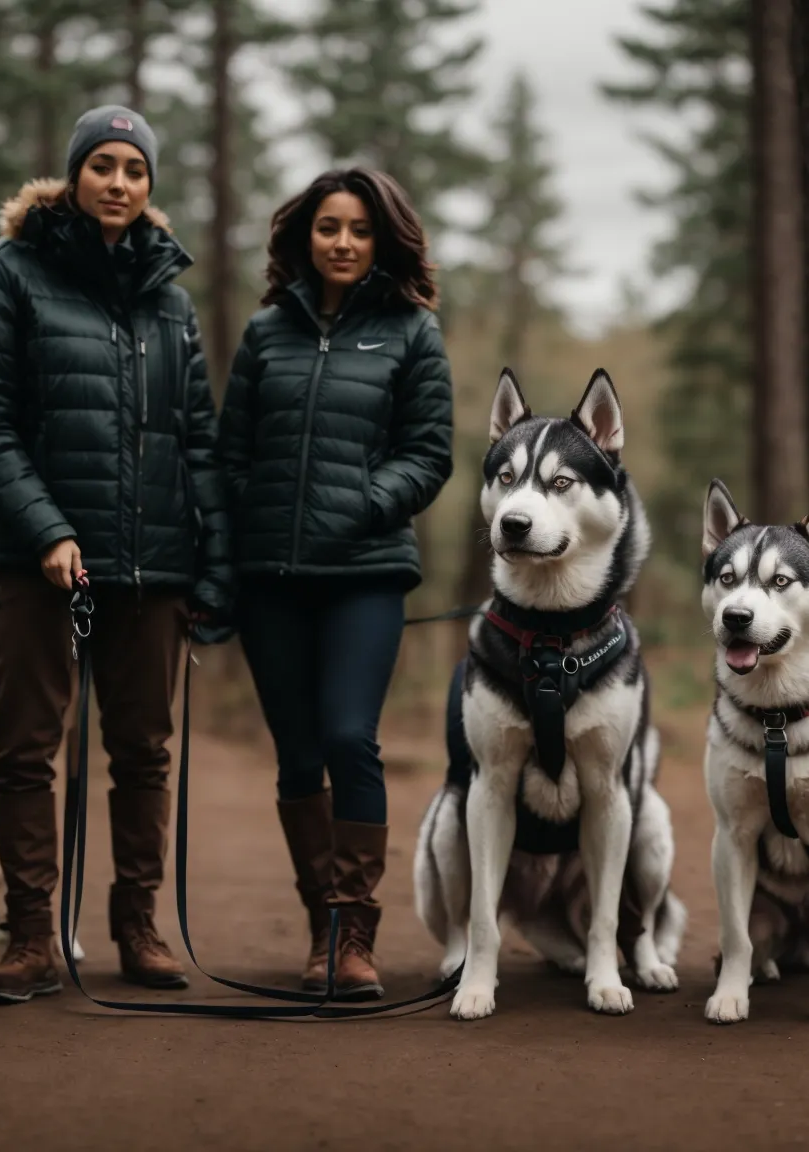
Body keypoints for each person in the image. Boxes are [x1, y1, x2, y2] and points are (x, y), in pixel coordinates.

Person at [0, 105, 230, 1003]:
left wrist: (209, 567)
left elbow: (199, 444)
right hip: (39, 568)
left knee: (145, 752)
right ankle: (30, 936)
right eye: (102, 164)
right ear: (73, 177)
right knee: (26, 750)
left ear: (150, 186)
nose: (118, 182)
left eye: (135, 169)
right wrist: (48, 529)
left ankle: (137, 929)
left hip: (152, 571)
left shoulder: (170, 301)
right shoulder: (8, 275)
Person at [216, 168, 454, 1000]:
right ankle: (320, 923)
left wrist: (361, 503)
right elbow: (229, 456)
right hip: (271, 580)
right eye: (328, 227)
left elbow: (430, 454)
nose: (343, 242)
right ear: (304, 237)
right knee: (297, 757)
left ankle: (356, 933)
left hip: (364, 573)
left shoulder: (412, 334)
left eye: (357, 228)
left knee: (351, 737)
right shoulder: (265, 334)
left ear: (381, 239)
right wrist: (236, 545)